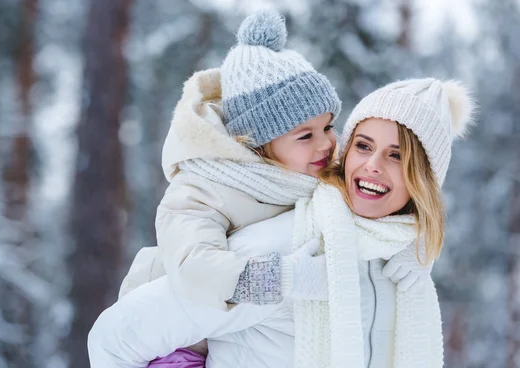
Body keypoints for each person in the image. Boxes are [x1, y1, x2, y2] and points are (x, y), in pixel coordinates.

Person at [88, 76, 475, 368]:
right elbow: (114, 337)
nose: (372, 165)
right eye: (363, 145)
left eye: (397, 155)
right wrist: (283, 279)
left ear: (424, 179)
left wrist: (416, 246)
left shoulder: (403, 269)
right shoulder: (289, 246)